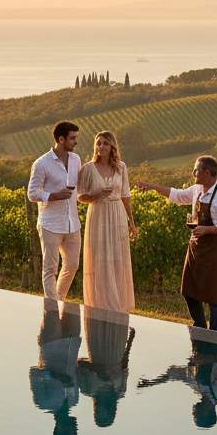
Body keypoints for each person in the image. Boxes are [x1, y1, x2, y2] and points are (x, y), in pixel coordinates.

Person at [136, 155, 217, 330]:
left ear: (207, 172)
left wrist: (207, 229)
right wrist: (151, 186)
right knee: (188, 290)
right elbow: (176, 195)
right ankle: (200, 325)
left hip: (214, 252)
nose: (193, 173)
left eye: (196, 170)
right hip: (196, 248)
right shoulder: (197, 190)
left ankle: (214, 336)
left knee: (214, 298)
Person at [76, 131, 137, 312]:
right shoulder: (88, 168)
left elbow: (126, 196)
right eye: (98, 143)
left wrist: (132, 223)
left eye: (105, 143)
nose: (100, 147)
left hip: (117, 215)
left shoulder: (121, 167)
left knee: (118, 259)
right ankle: (100, 304)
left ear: (112, 147)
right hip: (98, 215)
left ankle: (118, 304)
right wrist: (95, 195)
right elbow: (80, 196)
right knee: (99, 260)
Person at [137, 329, 217, 429]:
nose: (193, 412)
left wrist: (152, 382)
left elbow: (175, 374)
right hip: (214, 338)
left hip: (197, 338)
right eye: (196, 414)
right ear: (207, 413)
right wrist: (208, 360)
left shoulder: (197, 387)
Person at [27, 121, 82, 302]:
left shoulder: (76, 160)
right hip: (50, 224)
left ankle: (59, 299)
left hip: (72, 223)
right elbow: (32, 193)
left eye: (76, 137)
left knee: (73, 265)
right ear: (61, 139)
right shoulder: (42, 163)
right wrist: (54, 195)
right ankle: (52, 307)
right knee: (50, 268)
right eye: (72, 138)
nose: (76, 142)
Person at [30, 301, 82, 435]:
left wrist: (55, 376)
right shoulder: (74, 400)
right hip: (72, 341)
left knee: (51, 304)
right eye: (76, 431)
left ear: (59, 429)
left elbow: (34, 374)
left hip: (51, 345)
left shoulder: (43, 402)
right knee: (74, 302)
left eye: (72, 431)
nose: (76, 428)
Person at [77, 306, 135, 428]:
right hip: (117, 347)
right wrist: (130, 340)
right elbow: (125, 363)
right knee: (118, 309)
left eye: (98, 416)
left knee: (97, 308)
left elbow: (79, 364)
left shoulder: (87, 389)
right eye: (104, 417)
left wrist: (97, 370)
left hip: (97, 347)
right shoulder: (120, 391)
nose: (100, 413)